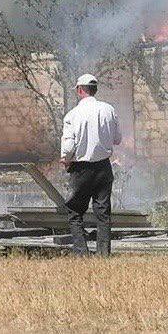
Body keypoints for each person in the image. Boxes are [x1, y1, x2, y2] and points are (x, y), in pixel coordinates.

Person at [60, 74, 122, 256]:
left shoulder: (72, 115)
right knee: (103, 213)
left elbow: (69, 145)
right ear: (95, 90)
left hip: (81, 169)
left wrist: (65, 158)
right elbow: (117, 139)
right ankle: (104, 255)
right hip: (104, 167)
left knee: (74, 211)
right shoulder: (108, 110)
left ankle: (82, 253)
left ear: (80, 90)